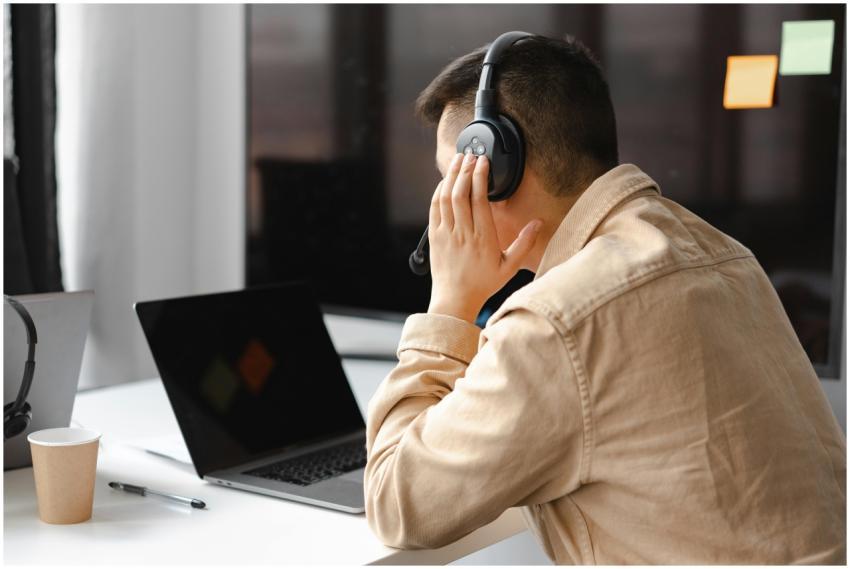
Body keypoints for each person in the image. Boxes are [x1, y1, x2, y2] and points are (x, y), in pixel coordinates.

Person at [364, 34, 846, 564]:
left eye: (451, 179)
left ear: (495, 172)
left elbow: (395, 505)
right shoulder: (723, 253)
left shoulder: (556, 323)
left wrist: (450, 306)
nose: (445, 205)